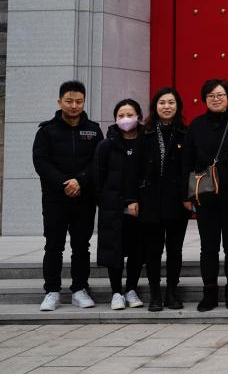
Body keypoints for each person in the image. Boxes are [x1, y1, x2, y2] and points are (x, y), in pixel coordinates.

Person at [181, 78, 228, 311]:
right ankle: (209, 293)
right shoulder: (196, 125)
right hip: (206, 197)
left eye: (220, 95)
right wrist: (186, 196)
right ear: (204, 99)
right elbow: (187, 162)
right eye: (211, 95)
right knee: (208, 247)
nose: (216, 99)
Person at [33, 80, 102, 311]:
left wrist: (80, 180)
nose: (74, 105)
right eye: (69, 101)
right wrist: (65, 183)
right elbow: (41, 162)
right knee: (54, 244)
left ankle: (79, 289)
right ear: (59, 101)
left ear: (84, 102)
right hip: (55, 198)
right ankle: (52, 291)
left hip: (84, 197)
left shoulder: (93, 130)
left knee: (81, 245)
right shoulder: (46, 131)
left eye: (79, 101)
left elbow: (99, 160)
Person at [137, 87, 190, 311]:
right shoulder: (144, 133)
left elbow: (190, 167)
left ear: (177, 106)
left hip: (178, 200)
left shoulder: (185, 133)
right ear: (155, 106)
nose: (166, 106)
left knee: (175, 250)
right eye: (162, 102)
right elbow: (135, 168)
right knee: (153, 250)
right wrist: (133, 198)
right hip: (150, 200)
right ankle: (155, 294)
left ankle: (171, 292)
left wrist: (189, 196)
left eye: (171, 102)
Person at [93, 99, 145, 310]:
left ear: (139, 117)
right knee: (114, 250)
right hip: (113, 208)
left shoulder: (146, 142)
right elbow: (98, 179)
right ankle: (116, 292)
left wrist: (139, 201)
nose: (125, 119)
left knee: (136, 251)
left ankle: (131, 289)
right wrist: (110, 203)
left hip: (141, 208)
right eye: (121, 115)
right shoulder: (106, 145)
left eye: (130, 115)